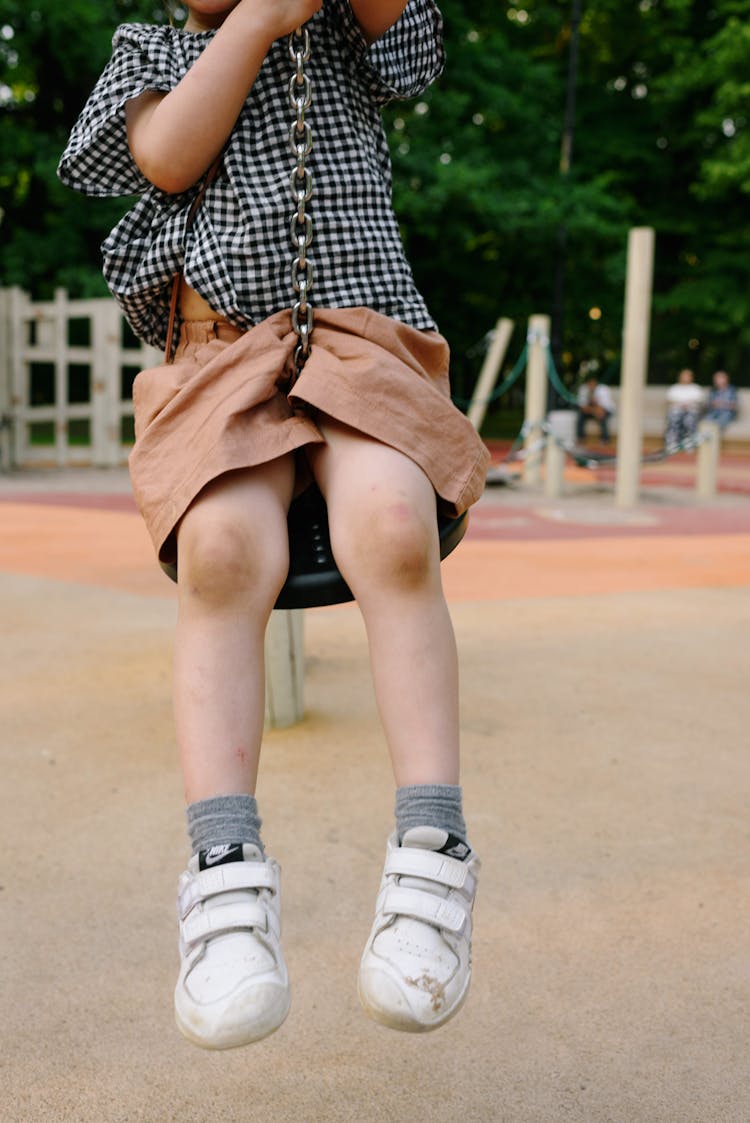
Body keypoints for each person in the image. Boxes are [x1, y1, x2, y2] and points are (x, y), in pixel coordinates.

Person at [58, 0, 488, 1049]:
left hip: (359, 336)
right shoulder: (153, 46)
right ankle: (224, 878)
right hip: (218, 361)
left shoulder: (348, 28)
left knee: (393, 524)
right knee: (219, 553)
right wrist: (252, 20)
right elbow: (161, 156)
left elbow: (417, 48)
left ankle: (434, 848)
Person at [664, 368, 705, 448]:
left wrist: (687, 405)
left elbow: (700, 402)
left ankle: (689, 444)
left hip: (691, 411)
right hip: (676, 411)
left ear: (691, 377)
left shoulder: (696, 388)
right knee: (674, 420)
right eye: (683, 376)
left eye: (687, 376)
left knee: (689, 421)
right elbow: (668, 401)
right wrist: (680, 405)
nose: (685, 378)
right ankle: (672, 444)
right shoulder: (674, 388)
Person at [576, 375, 615, 443]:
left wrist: (595, 404)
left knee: (602, 417)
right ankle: (581, 437)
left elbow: (602, 409)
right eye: (589, 383)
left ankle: (605, 439)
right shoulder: (583, 389)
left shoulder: (603, 389)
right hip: (592, 410)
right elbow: (583, 407)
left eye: (593, 383)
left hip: (607, 410)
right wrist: (593, 410)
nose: (591, 385)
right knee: (580, 415)